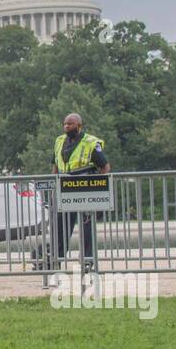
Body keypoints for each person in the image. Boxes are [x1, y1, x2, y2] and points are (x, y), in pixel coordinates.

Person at [47, 112, 110, 273]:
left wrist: (100, 188)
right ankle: (57, 260)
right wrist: (53, 185)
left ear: (79, 126)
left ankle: (87, 260)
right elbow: (55, 165)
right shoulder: (59, 141)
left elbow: (105, 166)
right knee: (60, 227)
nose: (66, 126)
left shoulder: (90, 142)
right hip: (63, 188)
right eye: (65, 123)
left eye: (70, 124)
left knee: (87, 226)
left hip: (85, 188)